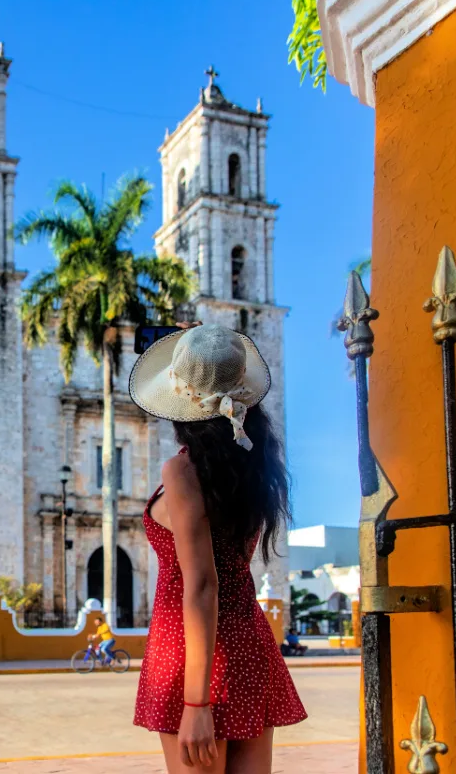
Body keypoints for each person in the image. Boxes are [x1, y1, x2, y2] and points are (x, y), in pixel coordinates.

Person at [130, 322, 307, 773]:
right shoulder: (254, 462)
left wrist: (197, 702)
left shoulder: (182, 473)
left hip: (192, 655)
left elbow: (203, 584)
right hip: (247, 642)